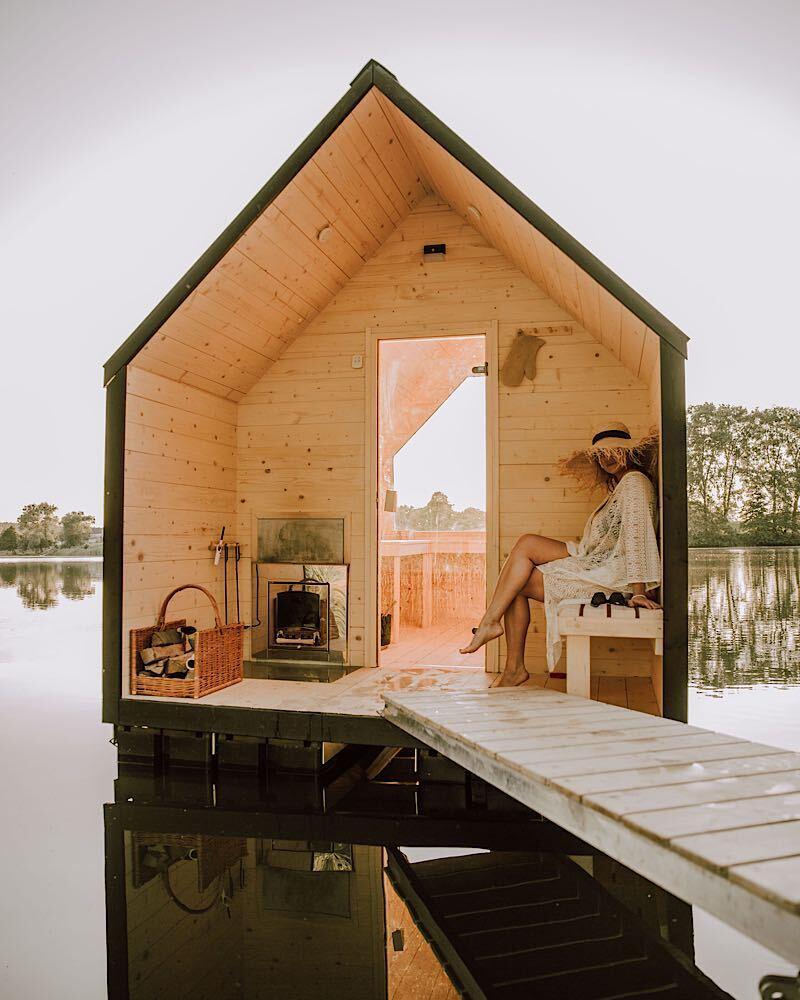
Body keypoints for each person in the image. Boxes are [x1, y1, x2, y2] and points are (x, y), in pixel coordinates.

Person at [460, 421, 662, 687]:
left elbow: (638, 535)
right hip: (595, 560)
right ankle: (492, 628)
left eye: (612, 451)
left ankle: (510, 663)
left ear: (627, 452)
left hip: (615, 576)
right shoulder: (621, 485)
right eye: (600, 454)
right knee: (526, 544)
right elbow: (607, 541)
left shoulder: (634, 483)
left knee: (517, 584)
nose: (605, 458)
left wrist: (638, 590)